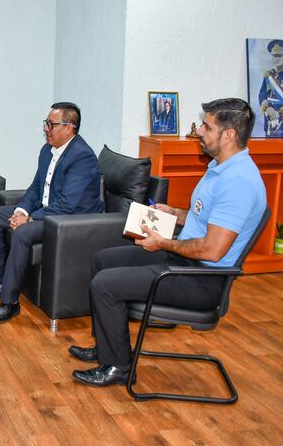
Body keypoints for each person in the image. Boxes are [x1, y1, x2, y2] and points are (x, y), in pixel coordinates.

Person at [70, 98, 266, 387]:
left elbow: (213, 249)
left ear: (228, 135)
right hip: (185, 260)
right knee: (102, 260)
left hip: (202, 278)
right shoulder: (220, 168)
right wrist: (176, 213)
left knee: (105, 285)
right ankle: (107, 347)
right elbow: (208, 221)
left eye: (206, 127)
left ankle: (118, 367)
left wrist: (163, 244)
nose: (199, 131)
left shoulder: (238, 182)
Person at [0, 102, 103, 325]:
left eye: (51, 124)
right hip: (48, 212)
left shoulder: (83, 157)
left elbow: (68, 204)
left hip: (71, 222)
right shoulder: (47, 151)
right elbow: (36, 188)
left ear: (69, 128)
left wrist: (29, 219)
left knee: (22, 233)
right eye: (46, 123)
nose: (46, 128)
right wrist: (20, 210)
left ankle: (10, 303)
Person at [258, 39, 283, 137]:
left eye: (280, 55)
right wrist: (267, 109)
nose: (277, 59)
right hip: (269, 120)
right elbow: (262, 94)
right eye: (275, 56)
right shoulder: (268, 76)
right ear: (271, 57)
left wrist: (278, 114)